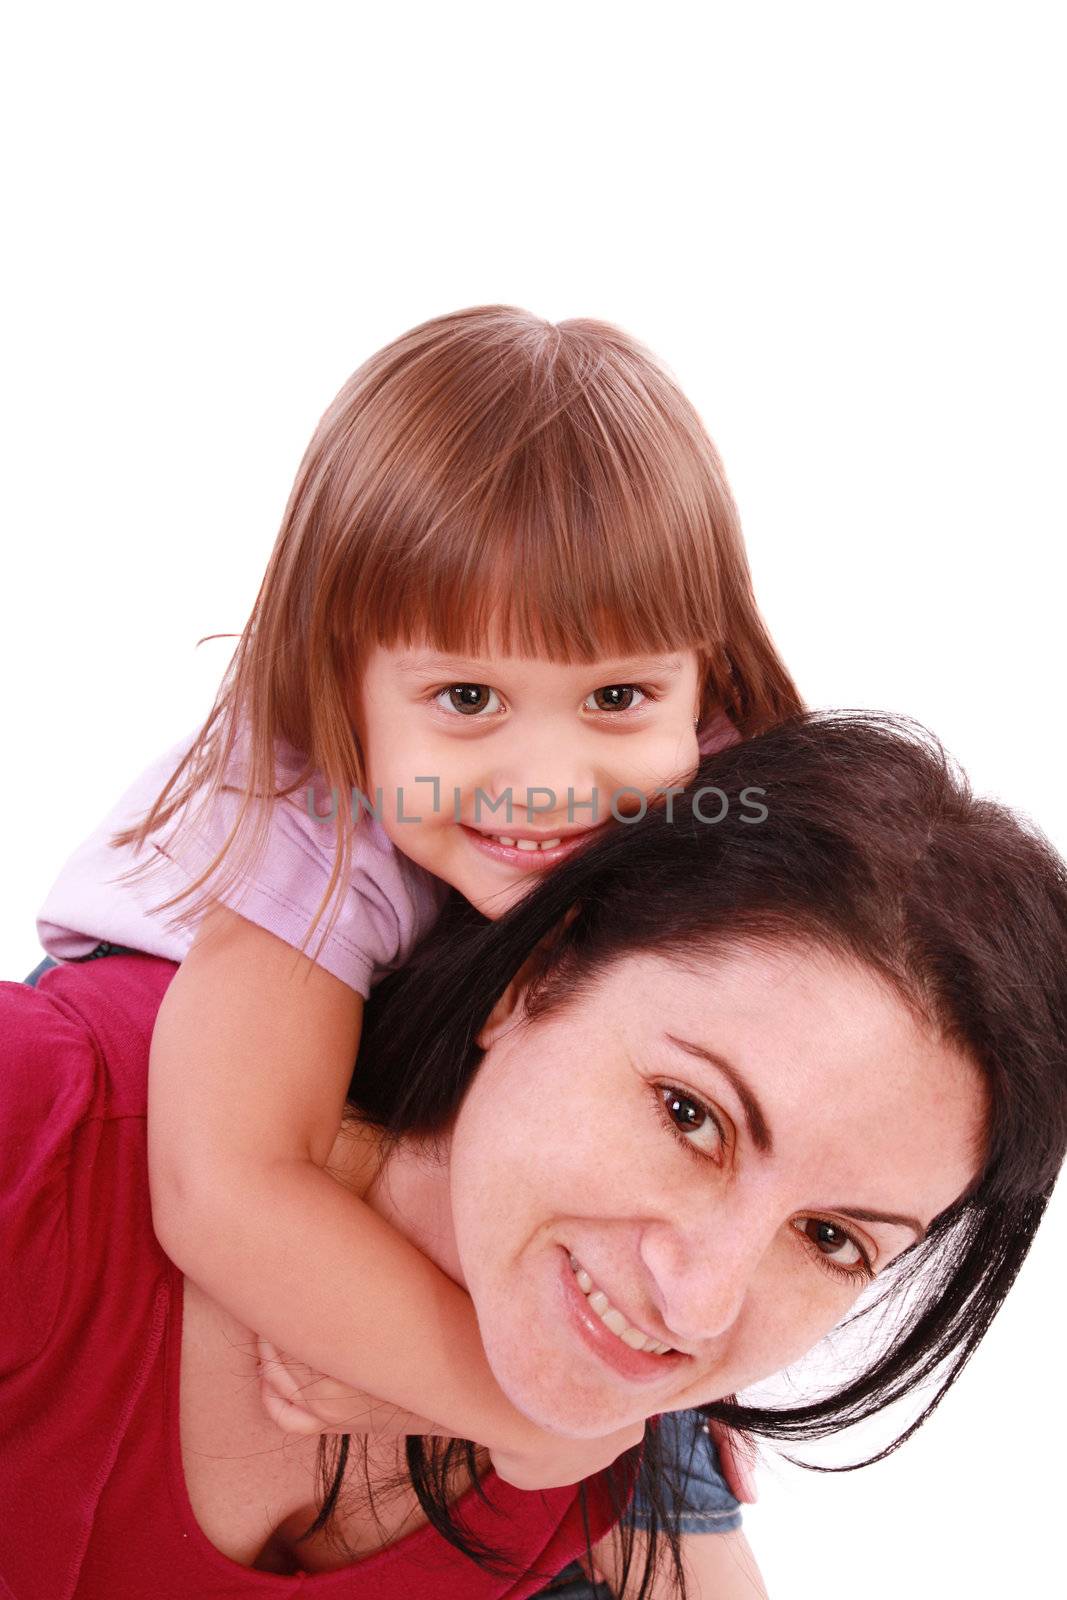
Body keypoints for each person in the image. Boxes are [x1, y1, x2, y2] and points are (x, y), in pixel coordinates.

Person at [31, 302, 801, 1571]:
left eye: (616, 696)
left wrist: (662, 1386)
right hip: (187, 1073)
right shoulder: (308, 808)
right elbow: (224, 1186)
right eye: (464, 698)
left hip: (453, 1094)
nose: (548, 779)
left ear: (699, 676)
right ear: (345, 682)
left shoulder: (713, 780)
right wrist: (524, 1418)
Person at [6, 715, 1065, 1600]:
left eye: (830, 1237)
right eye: (689, 1115)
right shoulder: (44, 1120)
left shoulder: (582, 1453)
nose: (695, 1305)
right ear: (534, 970)